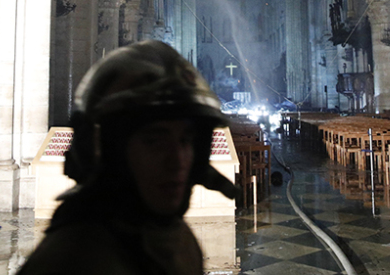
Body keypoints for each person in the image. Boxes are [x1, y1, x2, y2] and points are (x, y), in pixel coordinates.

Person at [18, 40, 236, 275]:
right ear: (108, 150)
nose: (178, 161)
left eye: (185, 140)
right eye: (154, 142)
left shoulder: (172, 234)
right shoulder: (73, 260)